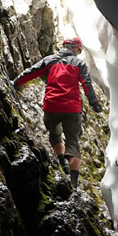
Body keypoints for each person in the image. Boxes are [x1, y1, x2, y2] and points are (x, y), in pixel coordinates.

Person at [12, 36, 103, 188]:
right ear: (76, 49)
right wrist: (95, 104)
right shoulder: (79, 63)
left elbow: (31, 72)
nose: (78, 54)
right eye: (79, 51)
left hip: (52, 105)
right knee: (73, 143)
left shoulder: (50, 60)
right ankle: (74, 184)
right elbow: (87, 85)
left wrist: (15, 83)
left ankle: (62, 160)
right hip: (72, 109)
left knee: (54, 133)